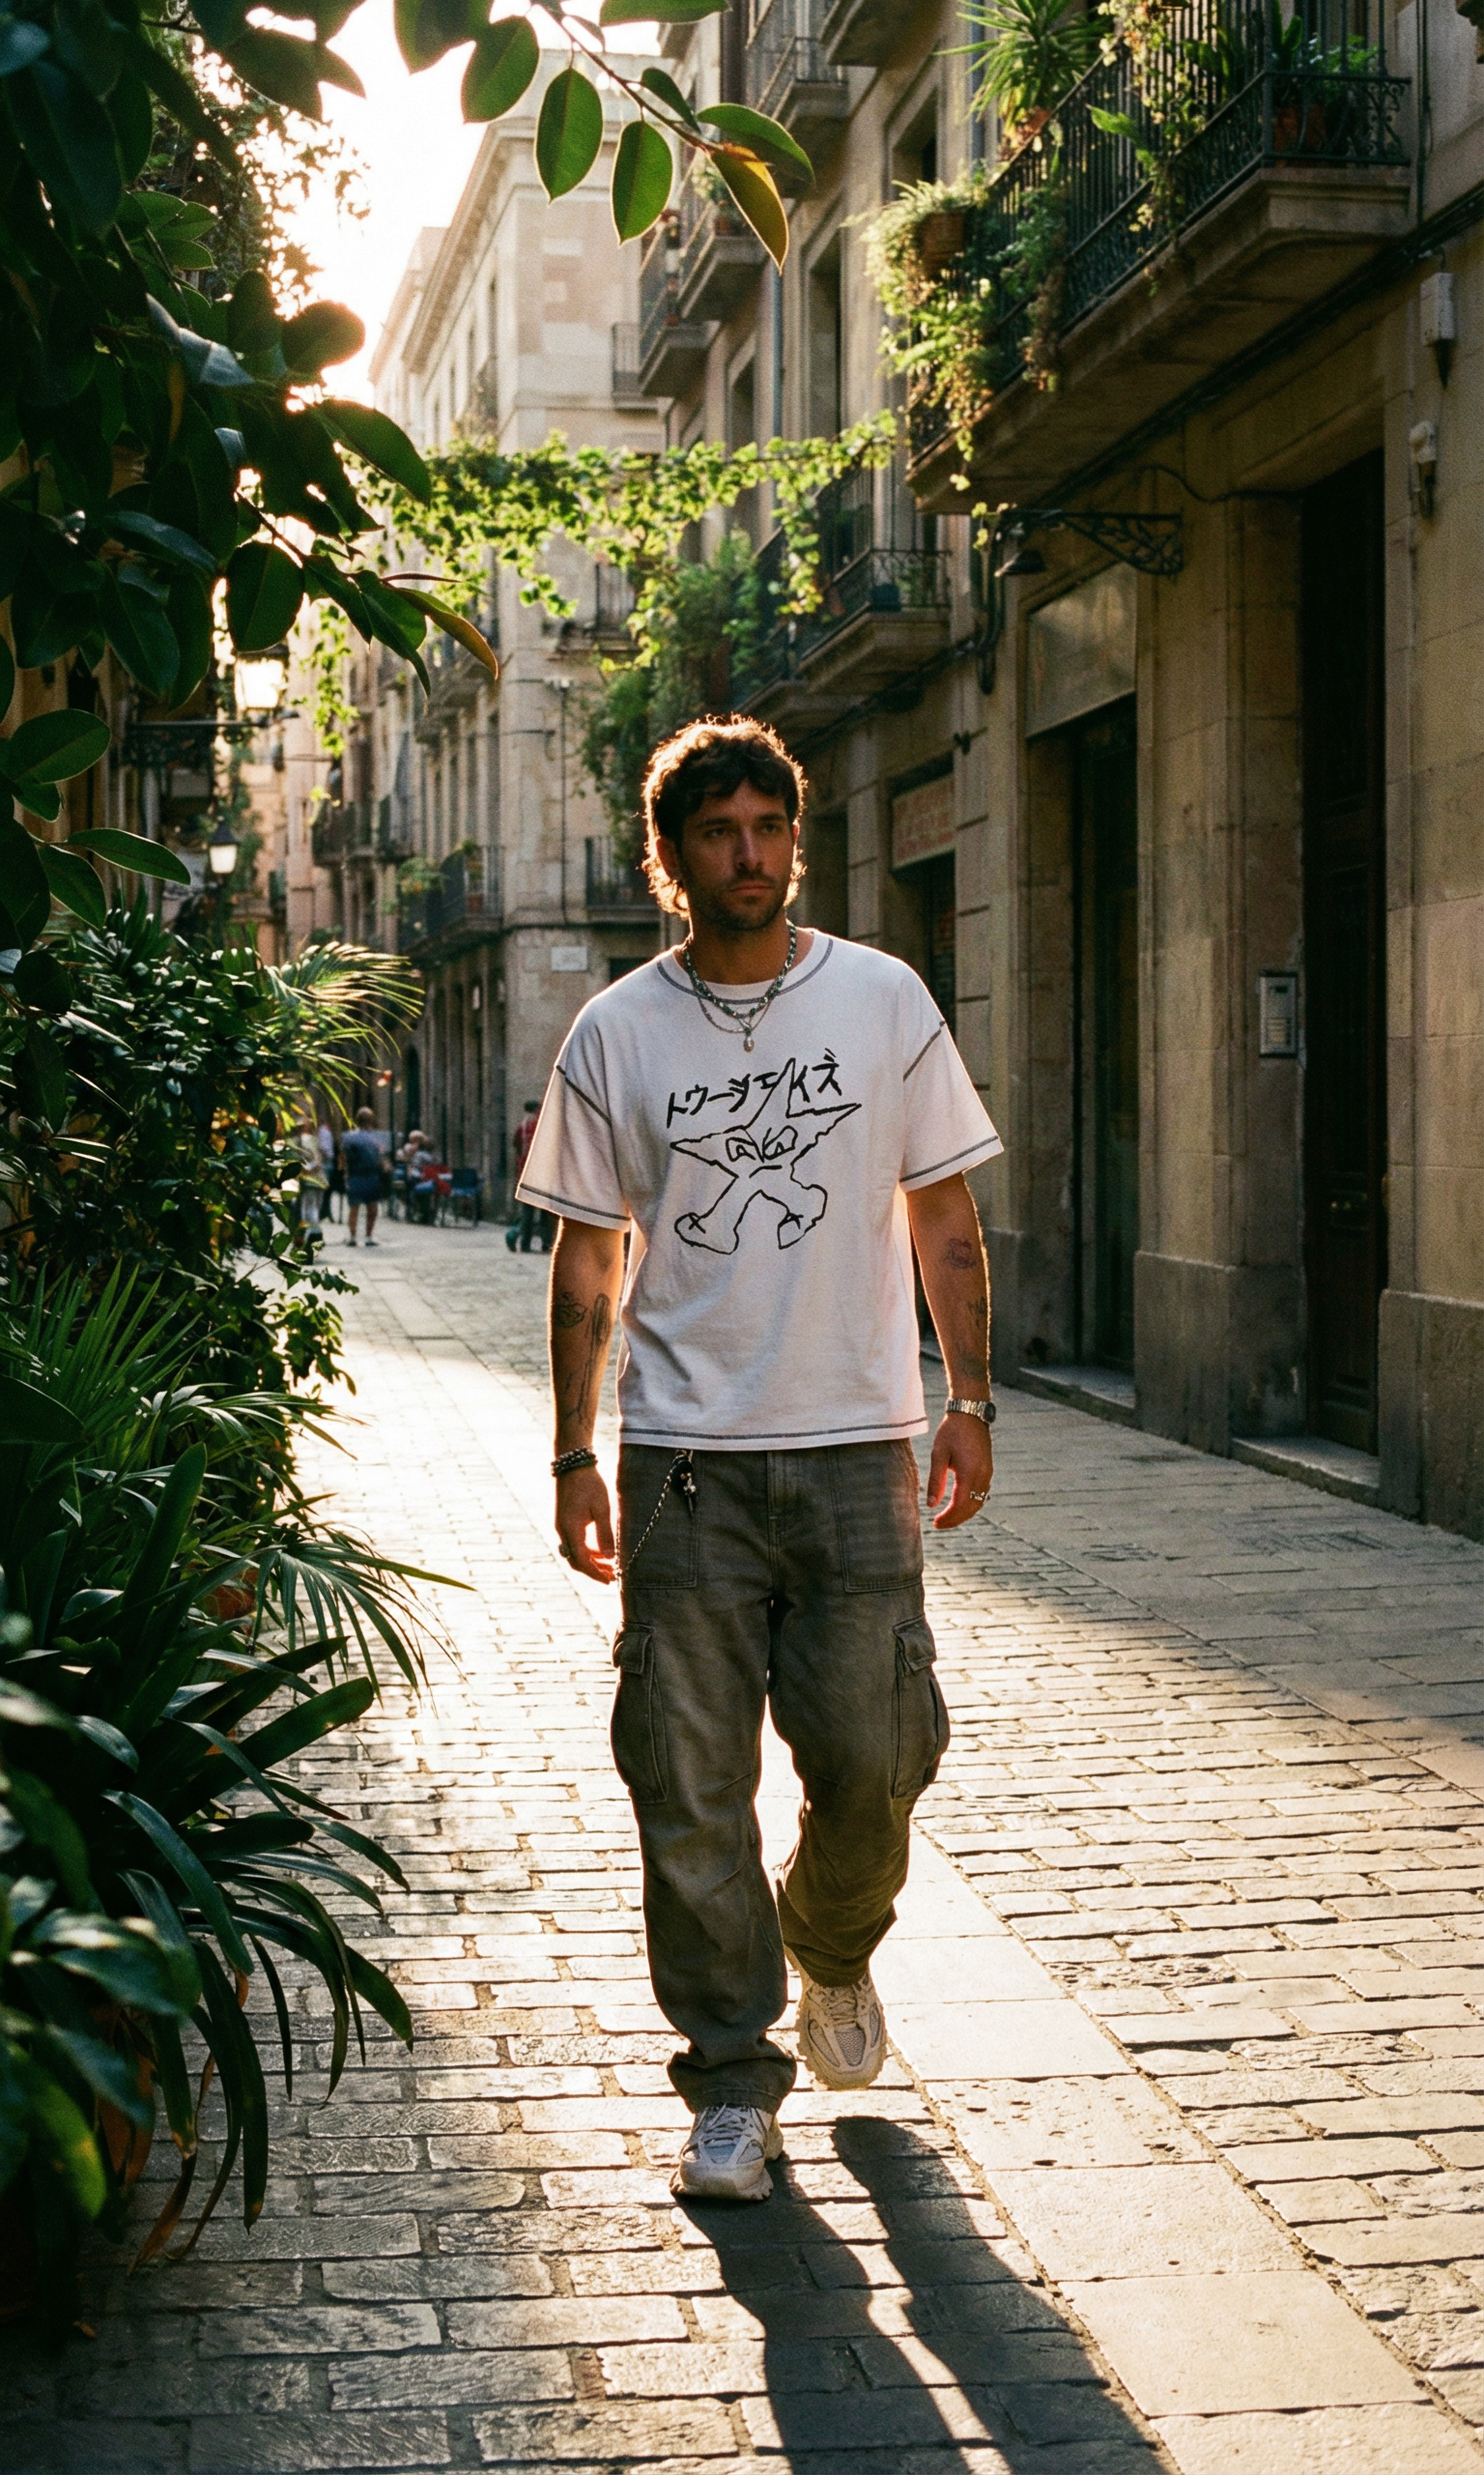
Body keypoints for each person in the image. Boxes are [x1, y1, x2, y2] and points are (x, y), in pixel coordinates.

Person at [516, 717, 1001, 2205]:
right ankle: (732, 2079)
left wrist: (969, 1399)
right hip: (682, 1466)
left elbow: (943, 1218)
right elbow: (589, 1261)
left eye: (768, 829)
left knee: (878, 1760)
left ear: (797, 839)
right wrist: (571, 1454)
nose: (749, 856)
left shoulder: (884, 999)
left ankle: (833, 1940)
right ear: (670, 860)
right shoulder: (616, 1033)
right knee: (688, 1782)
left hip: (859, 1444)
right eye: (716, 832)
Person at [506, 1099, 553, 1252]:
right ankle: (547, 1243)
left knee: (527, 1213)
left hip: (526, 1173)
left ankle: (525, 1244)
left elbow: (517, 1147)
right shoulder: (543, 1125)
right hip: (544, 1173)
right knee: (546, 1212)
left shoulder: (522, 1126)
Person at [340, 1106, 386, 1246]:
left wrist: (345, 1174)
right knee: (372, 1208)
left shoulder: (348, 1137)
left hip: (356, 1175)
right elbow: (381, 1158)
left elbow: (343, 1157)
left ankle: (353, 1236)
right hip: (371, 1175)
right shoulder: (376, 1138)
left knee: (354, 1207)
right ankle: (368, 1236)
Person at [296, 1114, 327, 1249]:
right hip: (318, 1179)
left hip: (308, 1179)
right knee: (314, 1208)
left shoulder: (304, 1140)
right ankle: (313, 1234)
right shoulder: (316, 1140)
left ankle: (312, 1234)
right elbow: (320, 1159)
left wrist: (305, 1171)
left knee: (308, 1209)